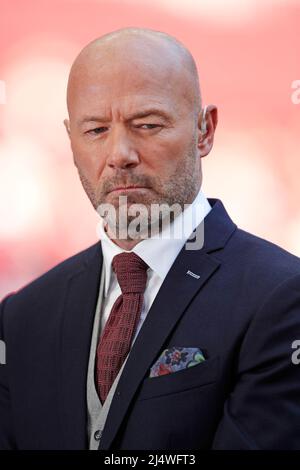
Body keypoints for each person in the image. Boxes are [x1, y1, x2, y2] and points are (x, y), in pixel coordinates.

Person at [1, 27, 300, 451]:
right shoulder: (22, 318)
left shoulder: (283, 297)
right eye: (95, 130)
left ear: (205, 131)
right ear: (70, 142)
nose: (119, 153)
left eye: (147, 124)